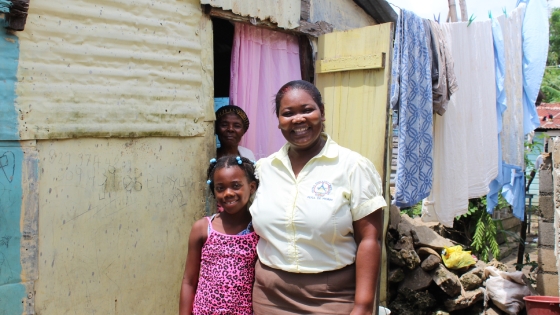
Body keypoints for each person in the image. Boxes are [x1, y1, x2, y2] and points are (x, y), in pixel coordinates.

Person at [250, 80, 387, 315]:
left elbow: (370, 240)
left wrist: (363, 306)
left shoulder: (352, 167)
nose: (298, 119)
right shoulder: (265, 169)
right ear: (279, 121)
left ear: (322, 113)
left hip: (332, 297)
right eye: (288, 113)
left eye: (307, 110)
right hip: (269, 297)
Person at [179, 155, 259, 315]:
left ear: (251, 187)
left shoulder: (258, 229)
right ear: (213, 191)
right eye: (220, 188)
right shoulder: (202, 228)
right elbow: (189, 281)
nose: (228, 193)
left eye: (236, 186)